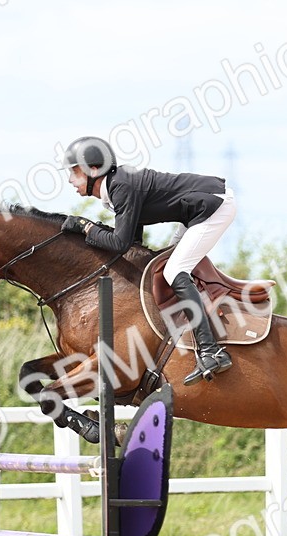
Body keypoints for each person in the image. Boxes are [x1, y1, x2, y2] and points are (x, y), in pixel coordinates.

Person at [58, 136, 236, 386]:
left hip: (213, 207)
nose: (70, 179)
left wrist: (85, 227)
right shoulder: (116, 188)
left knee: (174, 271)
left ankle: (211, 351)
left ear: (94, 170)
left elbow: (120, 244)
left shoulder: (121, 186)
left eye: (75, 171)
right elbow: (132, 243)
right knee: (164, 266)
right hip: (196, 212)